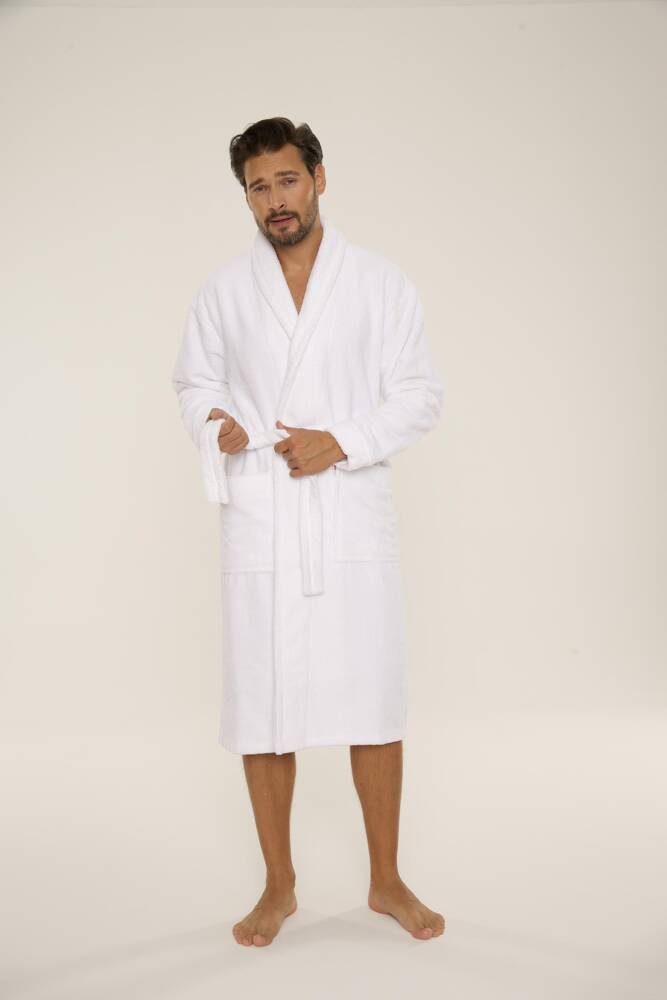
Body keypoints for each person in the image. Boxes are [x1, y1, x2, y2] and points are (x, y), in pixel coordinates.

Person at [171, 117, 446, 947]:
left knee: (374, 698)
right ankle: (279, 885)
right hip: (263, 514)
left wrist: (343, 441)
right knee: (262, 703)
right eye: (257, 187)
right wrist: (215, 422)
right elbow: (194, 382)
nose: (274, 200)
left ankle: (386, 881)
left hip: (349, 515)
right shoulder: (224, 291)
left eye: (286, 180)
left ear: (319, 178)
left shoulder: (381, 284)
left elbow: (419, 395)